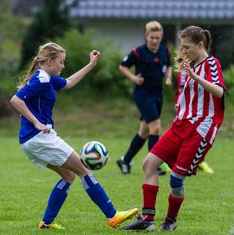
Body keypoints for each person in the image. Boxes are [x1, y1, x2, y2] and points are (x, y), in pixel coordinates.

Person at [10, 42, 138, 230]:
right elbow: (16, 100)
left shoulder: (46, 77)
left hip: (30, 140)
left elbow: (68, 83)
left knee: (68, 175)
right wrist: (37, 122)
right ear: (50, 61)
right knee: (84, 170)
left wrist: (91, 64)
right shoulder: (42, 80)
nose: (63, 66)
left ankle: (46, 222)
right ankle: (113, 215)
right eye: (61, 62)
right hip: (39, 137)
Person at [122, 26, 226, 231]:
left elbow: (219, 92)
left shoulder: (212, 63)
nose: (183, 51)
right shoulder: (186, 64)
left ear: (200, 45)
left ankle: (170, 221)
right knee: (148, 164)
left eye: (187, 47)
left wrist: (195, 77)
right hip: (180, 124)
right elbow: (184, 95)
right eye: (181, 47)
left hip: (202, 128)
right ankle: (147, 219)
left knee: (176, 178)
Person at [116, 21, 172, 175]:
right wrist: (134, 78)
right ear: (146, 36)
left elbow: (168, 65)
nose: (155, 41)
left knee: (145, 131)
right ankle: (153, 166)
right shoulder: (138, 52)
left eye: (158, 38)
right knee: (156, 127)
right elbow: (122, 66)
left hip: (157, 94)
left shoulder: (164, 52)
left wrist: (168, 77)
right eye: (152, 37)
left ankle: (125, 161)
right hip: (142, 95)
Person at [175, 71, 214, 174]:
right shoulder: (184, 70)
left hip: (198, 110)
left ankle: (199, 161)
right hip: (186, 108)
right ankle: (175, 161)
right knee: (181, 135)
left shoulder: (204, 67)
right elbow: (181, 89)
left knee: (197, 135)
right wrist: (182, 105)